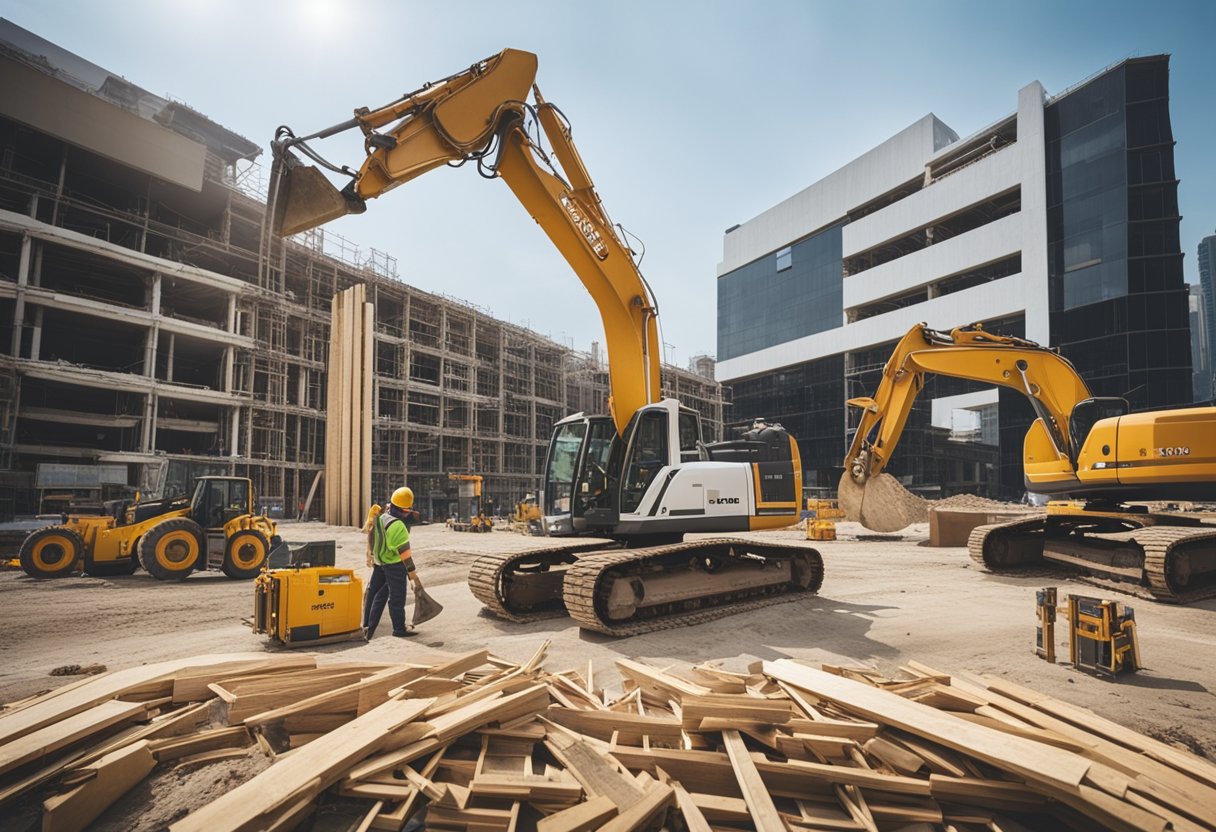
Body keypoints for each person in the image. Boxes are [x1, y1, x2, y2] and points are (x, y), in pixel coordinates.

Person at [362, 486, 423, 639]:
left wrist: (372, 557)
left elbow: (373, 540)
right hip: (395, 566)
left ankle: (367, 629)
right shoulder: (399, 526)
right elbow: (405, 555)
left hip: (380, 564)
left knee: (375, 594)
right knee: (397, 598)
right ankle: (398, 629)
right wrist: (413, 575)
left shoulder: (381, 518)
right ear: (405, 510)